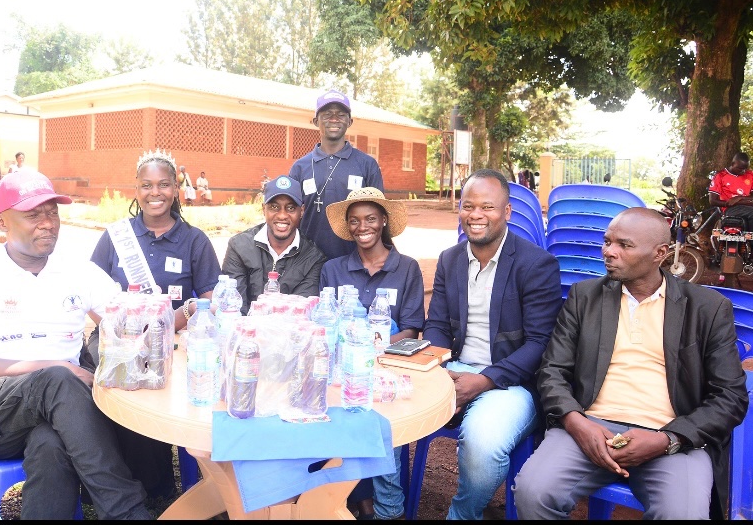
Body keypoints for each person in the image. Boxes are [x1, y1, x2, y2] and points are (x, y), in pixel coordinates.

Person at [0, 171, 152, 519]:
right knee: (59, 379)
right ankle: (126, 511)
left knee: (50, 444)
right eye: (33, 215)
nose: (47, 223)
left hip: (60, 411)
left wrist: (189, 312)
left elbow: (130, 322)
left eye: (52, 212)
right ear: (1, 221)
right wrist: (57, 368)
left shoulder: (77, 272)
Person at [514, 207, 749, 519]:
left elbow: (730, 397)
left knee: (684, 515)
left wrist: (667, 439)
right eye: (607, 241)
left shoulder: (706, 308)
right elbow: (552, 370)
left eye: (623, 245)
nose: (609, 252)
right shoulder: (585, 297)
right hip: (591, 427)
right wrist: (577, 422)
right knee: (533, 493)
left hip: (670, 436)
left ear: (660, 254)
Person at [423, 168, 563, 520]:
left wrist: (484, 380)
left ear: (507, 212)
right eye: (468, 206)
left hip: (513, 382)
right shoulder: (450, 259)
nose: (476, 215)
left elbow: (540, 343)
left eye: (487, 206)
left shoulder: (536, 265)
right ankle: (386, 507)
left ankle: (462, 515)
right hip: (454, 368)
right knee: (386, 402)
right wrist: (439, 374)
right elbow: (437, 325)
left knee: (482, 443)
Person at [90, 149, 221, 499]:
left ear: (176, 189)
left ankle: (158, 488)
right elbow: (92, 296)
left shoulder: (195, 241)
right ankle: (118, 483)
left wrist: (172, 323)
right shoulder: (115, 237)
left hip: (175, 343)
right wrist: (122, 335)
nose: (155, 193)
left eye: (164, 184)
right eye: (146, 185)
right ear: (136, 190)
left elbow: (211, 302)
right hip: (119, 342)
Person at [321, 187, 426, 520]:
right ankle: (341, 500)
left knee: (386, 426)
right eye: (354, 221)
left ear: (383, 221)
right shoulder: (333, 269)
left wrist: (379, 343)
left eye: (370, 218)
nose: (361, 226)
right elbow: (324, 322)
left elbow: (412, 328)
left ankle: (387, 508)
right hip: (341, 373)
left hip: (387, 370)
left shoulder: (406, 268)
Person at [289, 89, 384, 261]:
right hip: (307, 262)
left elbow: (379, 216)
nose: (334, 119)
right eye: (327, 114)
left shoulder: (366, 164)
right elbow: (291, 215)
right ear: (316, 121)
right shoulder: (300, 167)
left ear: (350, 121)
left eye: (341, 114)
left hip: (355, 261)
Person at [221, 175, 326, 315]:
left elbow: (300, 313)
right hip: (245, 331)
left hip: (288, 333)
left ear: (301, 211)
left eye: (290, 208)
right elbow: (234, 307)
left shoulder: (313, 258)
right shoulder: (239, 246)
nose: (282, 215)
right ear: (264, 208)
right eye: (274, 207)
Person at [708, 151, 753, 230]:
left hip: (748, 205)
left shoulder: (750, 175)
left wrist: (739, 198)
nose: (743, 171)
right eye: (740, 168)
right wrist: (729, 203)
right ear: (733, 164)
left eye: (746, 168)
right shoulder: (720, 176)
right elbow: (712, 201)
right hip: (729, 209)